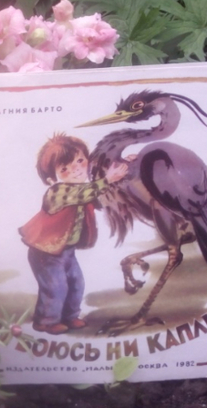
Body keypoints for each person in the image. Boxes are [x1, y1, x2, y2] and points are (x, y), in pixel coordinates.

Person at [18, 133, 127, 335]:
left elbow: (98, 197)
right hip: (45, 253)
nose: (76, 169)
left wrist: (124, 166)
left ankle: (70, 316)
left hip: (66, 250)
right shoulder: (57, 192)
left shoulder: (85, 189)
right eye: (64, 169)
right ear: (52, 178)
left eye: (80, 160)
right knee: (56, 286)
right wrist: (108, 179)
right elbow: (83, 194)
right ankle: (46, 321)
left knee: (76, 284)